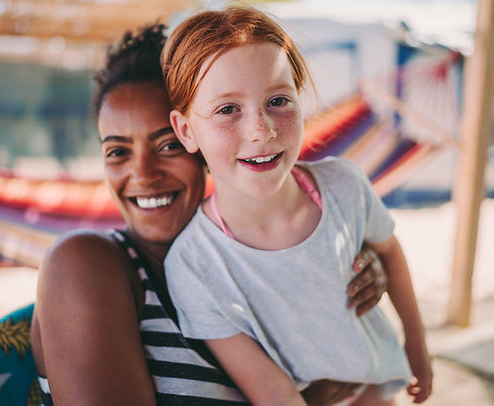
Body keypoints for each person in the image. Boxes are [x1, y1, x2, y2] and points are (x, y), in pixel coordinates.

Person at [26, 24, 393, 406]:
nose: (143, 174)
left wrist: (355, 271)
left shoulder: (245, 268)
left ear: (197, 139)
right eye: (117, 152)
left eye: (167, 146)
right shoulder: (86, 264)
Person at [162, 7, 433, 406]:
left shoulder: (345, 186)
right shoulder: (193, 267)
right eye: (227, 109)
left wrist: (417, 342)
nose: (262, 130)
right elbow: (273, 394)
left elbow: (390, 253)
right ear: (186, 131)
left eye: (278, 100)